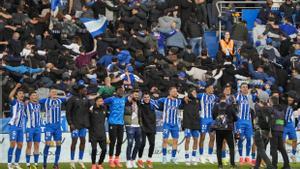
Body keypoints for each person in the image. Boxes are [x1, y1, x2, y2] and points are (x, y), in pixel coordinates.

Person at [40, 88, 66, 169]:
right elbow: (36, 100)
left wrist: (59, 95)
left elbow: (66, 98)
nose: (54, 93)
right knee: (47, 144)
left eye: (55, 92)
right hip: (49, 126)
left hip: (57, 127)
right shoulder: (45, 100)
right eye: (53, 92)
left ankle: (56, 164)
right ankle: (44, 164)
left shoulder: (59, 100)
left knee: (58, 144)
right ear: (49, 93)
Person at [66, 84, 91, 169]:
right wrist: (70, 123)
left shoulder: (86, 99)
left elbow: (88, 111)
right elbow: (68, 112)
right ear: (79, 90)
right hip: (75, 125)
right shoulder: (72, 99)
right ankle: (72, 161)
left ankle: (80, 160)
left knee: (83, 141)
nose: (85, 91)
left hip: (83, 125)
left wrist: (87, 123)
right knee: (74, 141)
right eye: (84, 90)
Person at [157, 87, 182, 164]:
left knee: (175, 141)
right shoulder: (164, 100)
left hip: (175, 124)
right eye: (174, 91)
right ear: (170, 92)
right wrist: (166, 96)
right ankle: (164, 158)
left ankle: (173, 158)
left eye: (176, 91)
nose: (175, 92)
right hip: (166, 124)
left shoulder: (179, 101)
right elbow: (157, 100)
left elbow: (185, 99)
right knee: (165, 140)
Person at [104, 86, 128, 168]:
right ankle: (110, 160)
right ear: (116, 91)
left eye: (122, 91)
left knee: (120, 141)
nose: (121, 92)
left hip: (121, 123)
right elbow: (101, 103)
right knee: (113, 141)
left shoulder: (124, 99)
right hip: (112, 122)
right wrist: (106, 113)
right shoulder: (111, 99)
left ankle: (117, 159)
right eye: (120, 90)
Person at [212, 94, 238, 169]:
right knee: (231, 147)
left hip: (219, 129)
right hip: (228, 130)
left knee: (219, 147)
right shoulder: (230, 106)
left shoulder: (216, 106)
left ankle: (220, 165)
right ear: (225, 98)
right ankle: (232, 164)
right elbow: (236, 118)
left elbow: (213, 117)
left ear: (219, 99)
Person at [252, 91, 274, 169]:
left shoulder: (256, 106)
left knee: (261, 150)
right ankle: (256, 166)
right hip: (267, 131)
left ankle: (270, 165)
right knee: (261, 150)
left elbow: (255, 116)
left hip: (259, 131)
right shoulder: (270, 108)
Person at [137, 92, 159, 169]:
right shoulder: (140, 105)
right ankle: (139, 159)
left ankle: (149, 160)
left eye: (148, 97)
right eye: (145, 97)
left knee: (152, 144)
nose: (146, 98)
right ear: (143, 98)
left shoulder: (153, 105)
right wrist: (141, 125)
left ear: (150, 98)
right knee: (142, 144)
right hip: (143, 127)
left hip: (151, 127)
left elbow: (159, 106)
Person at [198, 81, 217, 164]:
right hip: (203, 119)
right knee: (202, 137)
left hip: (211, 120)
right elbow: (192, 96)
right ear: (207, 89)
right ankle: (201, 156)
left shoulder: (214, 97)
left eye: (213, 88)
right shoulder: (201, 95)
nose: (213, 89)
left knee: (212, 137)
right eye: (211, 88)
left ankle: (209, 156)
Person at [269, 96, 291, 169]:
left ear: (271, 101)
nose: (269, 102)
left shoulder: (272, 109)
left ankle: (274, 165)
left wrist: (270, 129)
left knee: (274, 148)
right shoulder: (282, 110)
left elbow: (271, 120)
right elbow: (284, 121)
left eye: (269, 101)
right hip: (281, 131)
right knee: (282, 148)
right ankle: (287, 165)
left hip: (274, 131)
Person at [235, 83, 254, 165]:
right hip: (240, 121)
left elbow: (252, 109)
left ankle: (247, 157)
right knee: (240, 139)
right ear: (240, 89)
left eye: (246, 87)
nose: (245, 88)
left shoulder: (250, 97)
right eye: (243, 87)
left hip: (248, 121)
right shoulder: (238, 97)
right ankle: (240, 157)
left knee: (249, 139)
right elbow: (234, 108)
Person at [7, 83, 25, 169]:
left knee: (20, 145)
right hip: (13, 126)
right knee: (12, 144)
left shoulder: (23, 104)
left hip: (21, 127)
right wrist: (16, 87)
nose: (22, 95)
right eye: (20, 93)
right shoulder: (15, 102)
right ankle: (9, 163)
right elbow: (10, 95)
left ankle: (16, 163)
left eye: (22, 94)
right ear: (17, 96)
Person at [182, 88, 200, 166]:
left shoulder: (197, 100)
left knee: (196, 140)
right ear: (190, 93)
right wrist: (184, 98)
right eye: (193, 92)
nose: (195, 93)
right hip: (187, 123)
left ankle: (193, 157)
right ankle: (186, 158)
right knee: (188, 140)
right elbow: (180, 99)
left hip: (195, 123)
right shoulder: (185, 100)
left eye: (196, 92)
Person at [124, 89, 142, 168]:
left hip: (138, 125)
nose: (137, 96)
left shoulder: (138, 102)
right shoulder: (127, 102)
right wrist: (129, 98)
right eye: (135, 95)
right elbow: (126, 100)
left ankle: (133, 160)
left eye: (137, 95)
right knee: (130, 143)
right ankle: (128, 161)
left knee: (138, 143)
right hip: (130, 125)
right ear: (131, 95)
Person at [89, 96, 107, 169]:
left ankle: (99, 164)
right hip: (93, 133)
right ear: (96, 102)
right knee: (94, 149)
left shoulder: (104, 108)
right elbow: (87, 117)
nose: (101, 102)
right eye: (99, 101)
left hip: (102, 132)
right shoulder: (92, 108)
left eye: (102, 101)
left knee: (104, 149)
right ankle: (93, 164)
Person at [25, 91, 42, 169]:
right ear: (30, 97)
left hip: (38, 128)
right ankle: (28, 164)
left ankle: (36, 163)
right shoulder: (27, 104)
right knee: (29, 145)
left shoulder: (38, 105)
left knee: (37, 145)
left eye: (36, 95)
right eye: (33, 95)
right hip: (30, 128)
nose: (35, 96)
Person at [283, 91, 298, 163]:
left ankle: (293, 154)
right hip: (283, 124)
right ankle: (284, 156)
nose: (290, 100)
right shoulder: (283, 104)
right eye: (289, 99)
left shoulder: (295, 105)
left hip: (290, 124)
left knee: (295, 139)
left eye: (291, 99)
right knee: (282, 141)